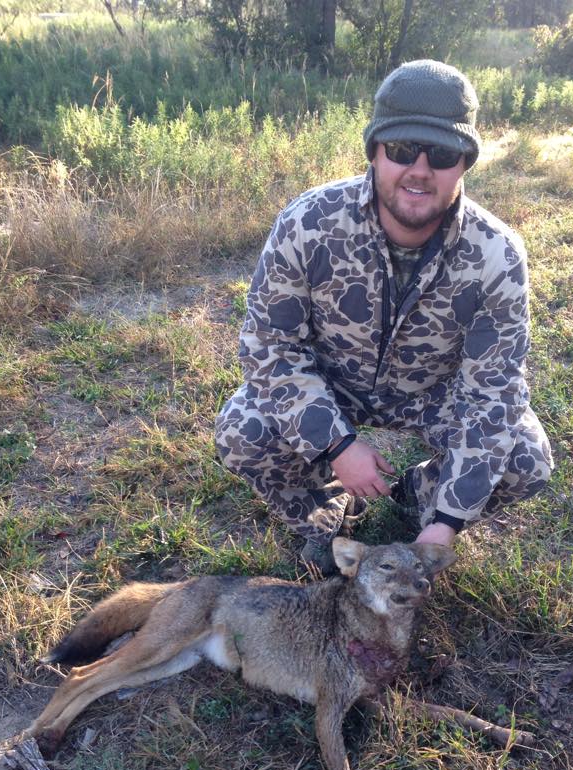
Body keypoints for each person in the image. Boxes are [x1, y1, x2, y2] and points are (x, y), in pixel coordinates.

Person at [215, 59, 553, 574]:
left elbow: (494, 393)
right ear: (374, 150)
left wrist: (448, 520)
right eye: (401, 149)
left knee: (526, 460)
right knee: (243, 431)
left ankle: (415, 497)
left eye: (442, 154)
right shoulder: (308, 223)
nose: (420, 169)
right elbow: (269, 348)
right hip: (333, 384)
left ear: (465, 162)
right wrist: (337, 443)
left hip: (433, 395)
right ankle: (329, 512)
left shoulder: (497, 255)